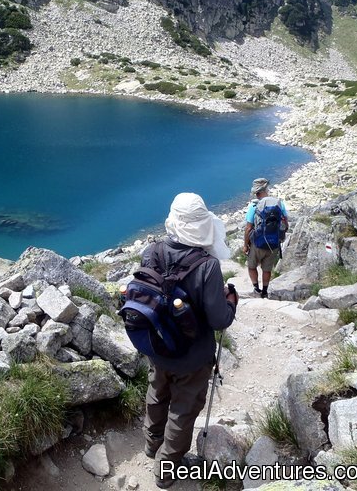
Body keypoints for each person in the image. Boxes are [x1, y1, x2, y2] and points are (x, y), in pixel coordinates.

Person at [142, 193, 238, 489]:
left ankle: (150, 443)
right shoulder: (208, 266)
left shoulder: (152, 251)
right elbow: (219, 320)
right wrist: (231, 302)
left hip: (157, 345)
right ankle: (167, 470)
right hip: (193, 356)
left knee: (157, 392)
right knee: (183, 410)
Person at [243, 178, 288, 298]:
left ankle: (256, 290)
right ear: (266, 189)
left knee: (252, 266)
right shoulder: (279, 203)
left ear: (257, 192)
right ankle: (265, 291)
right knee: (267, 269)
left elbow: (248, 228)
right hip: (274, 243)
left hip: (257, 244)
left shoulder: (254, 205)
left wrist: (245, 245)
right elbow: (286, 224)